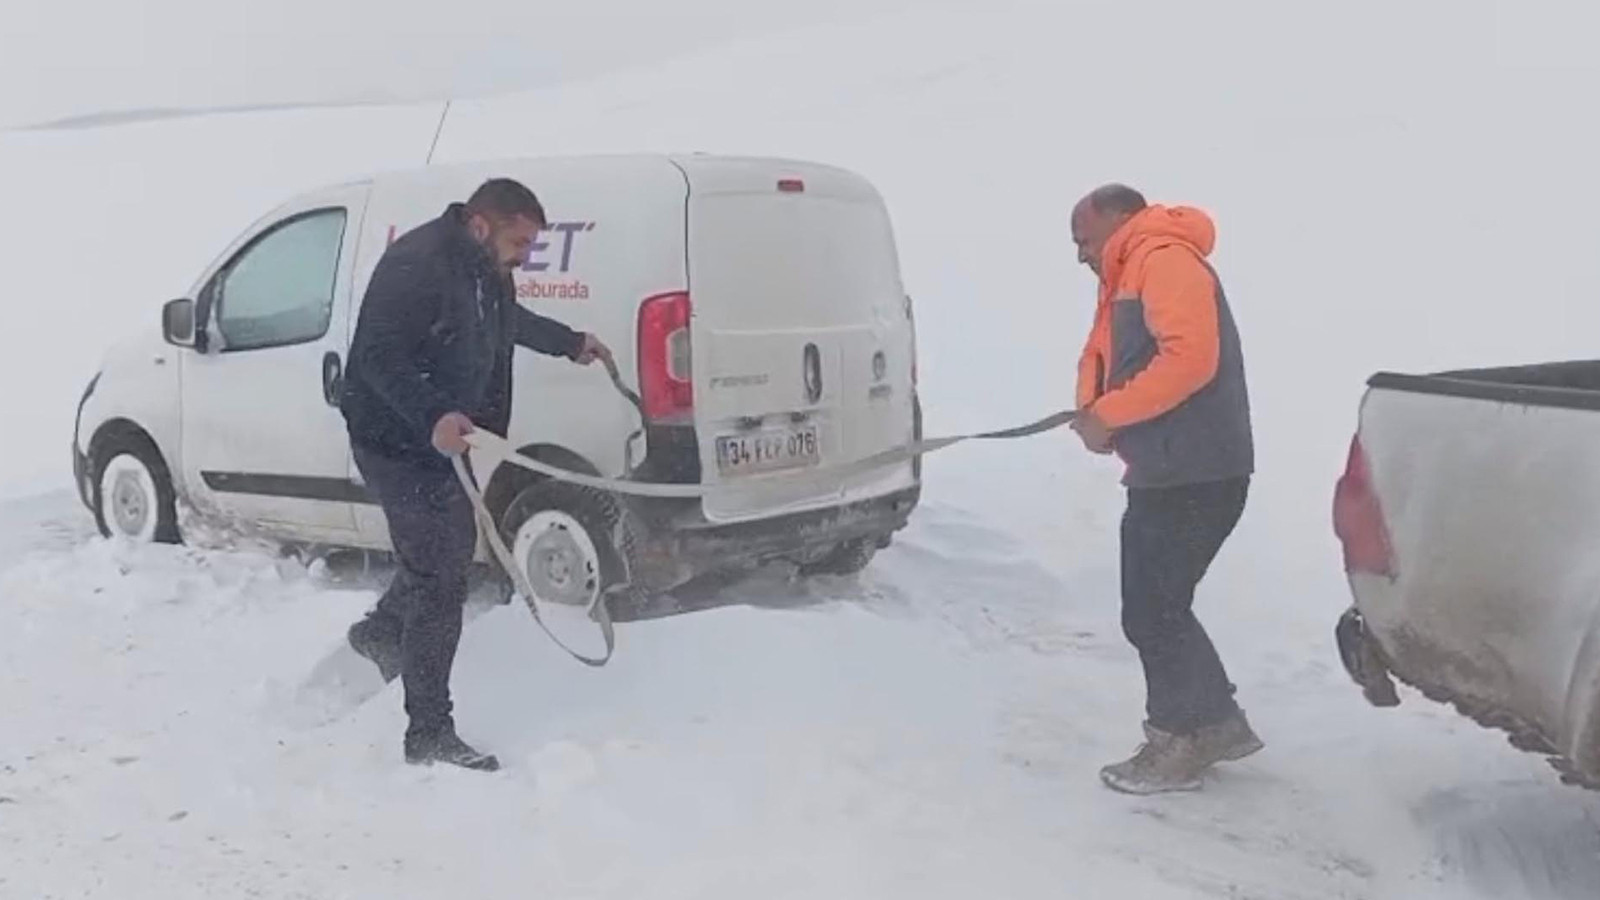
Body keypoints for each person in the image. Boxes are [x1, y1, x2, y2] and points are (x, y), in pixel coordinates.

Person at [339, 178, 610, 772]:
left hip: (447, 442)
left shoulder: (486, 267)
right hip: (395, 442)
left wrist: (571, 343)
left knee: (446, 556)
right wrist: (434, 414)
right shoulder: (417, 263)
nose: (526, 256)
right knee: (441, 579)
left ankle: (382, 634)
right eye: (520, 241)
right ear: (483, 225)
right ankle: (428, 733)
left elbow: (507, 321)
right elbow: (378, 355)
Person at [1068, 184, 1261, 794]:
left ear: (1119, 220)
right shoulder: (1135, 267)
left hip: (1194, 472)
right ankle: (1208, 723)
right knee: (1157, 607)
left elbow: (1189, 359)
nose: (1080, 255)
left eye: (1084, 240)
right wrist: (1097, 414)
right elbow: (1118, 358)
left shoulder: (1162, 259)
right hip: (1177, 469)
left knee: (1153, 610)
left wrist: (1111, 413)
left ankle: (1189, 734)